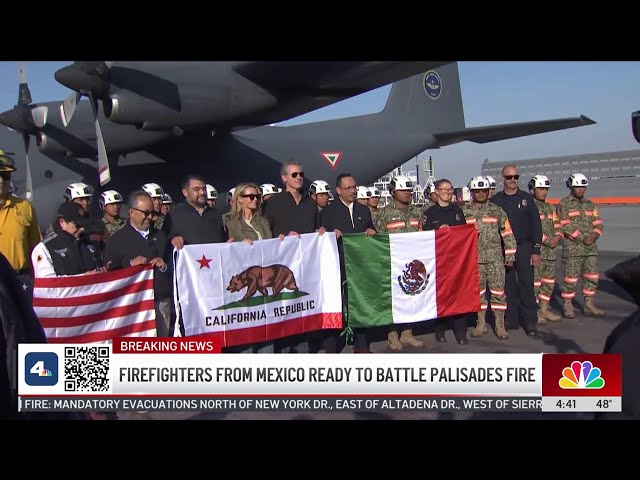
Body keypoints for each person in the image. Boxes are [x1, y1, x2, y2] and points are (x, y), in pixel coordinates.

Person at [263, 161, 326, 353]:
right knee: (283, 309)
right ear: (284, 178)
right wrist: (279, 238)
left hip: (306, 266)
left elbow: (316, 228)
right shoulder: (273, 203)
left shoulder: (310, 203)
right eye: (294, 174)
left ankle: (304, 350)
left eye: (301, 174)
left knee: (303, 306)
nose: (299, 177)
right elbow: (266, 235)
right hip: (281, 266)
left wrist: (321, 232)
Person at [320, 173, 376, 353]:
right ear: (338, 190)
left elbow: (371, 228)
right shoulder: (327, 212)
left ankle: (361, 344)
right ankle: (333, 344)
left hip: (359, 265)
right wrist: (329, 233)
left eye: (354, 187)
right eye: (348, 188)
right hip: (337, 266)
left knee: (360, 303)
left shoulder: (363, 210)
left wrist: (370, 230)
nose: (352, 191)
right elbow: (320, 235)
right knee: (336, 304)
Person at [226, 182, 285, 353]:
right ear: (240, 200)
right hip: (248, 277)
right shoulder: (232, 224)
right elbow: (228, 251)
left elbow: (270, 245)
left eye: (258, 196)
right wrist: (237, 244)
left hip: (265, 275)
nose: (255, 199)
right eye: (250, 196)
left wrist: (280, 241)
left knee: (267, 329)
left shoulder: (263, 222)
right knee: (248, 330)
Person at [104, 191, 173, 337]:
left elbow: (174, 265)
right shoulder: (117, 240)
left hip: (160, 300)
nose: (149, 217)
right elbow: (110, 272)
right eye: (145, 213)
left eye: (151, 213)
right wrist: (129, 265)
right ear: (131, 212)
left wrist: (164, 265)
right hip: (133, 305)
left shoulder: (160, 237)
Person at [373, 175, 424, 350]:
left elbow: (423, 235)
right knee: (393, 300)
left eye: (409, 190)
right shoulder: (383, 213)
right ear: (393, 192)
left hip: (412, 263)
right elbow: (379, 239)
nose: (407, 193)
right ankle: (392, 335)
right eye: (403, 190)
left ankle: (408, 333)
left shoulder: (417, 212)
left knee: (411, 298)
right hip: (392, 263)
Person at [491, 164, 542, 337]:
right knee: (508, 286)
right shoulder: (496, 200)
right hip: (504, 249)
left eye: (515, 177)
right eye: (509, 177)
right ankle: (511, 319)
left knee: (527, 285)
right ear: (503, 178)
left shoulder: (527, 199)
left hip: (524, 247)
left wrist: (536, 251)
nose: (513, 180)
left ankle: (530, 322)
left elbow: (536, 225)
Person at [462, 176, 515, 340]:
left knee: (498, 292)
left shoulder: (497, 210)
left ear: (488, 191)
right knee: (478, 294)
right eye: (477, 191)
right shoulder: (464, 212)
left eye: (483, 190)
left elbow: (507, 233)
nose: (481, 193)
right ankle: (481, 323)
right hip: (474, 260)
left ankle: (500, 325)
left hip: (495, 259)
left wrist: (510, 254)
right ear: (472, 192)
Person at [422, 178, 469, 344]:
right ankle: (439, 330)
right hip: (439, 261)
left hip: (457, 260)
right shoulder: (429, 214)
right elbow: (424, 237)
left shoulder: (458, 211)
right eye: (444, 189)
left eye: (450, 189)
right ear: (436, 192)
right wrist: (437, 231)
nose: (447, 192)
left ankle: (460, 332)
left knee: (459, 295)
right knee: (441, 296)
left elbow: (464, 233)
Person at [557, 173, 605, 318]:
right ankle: (567, 305)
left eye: (583, 186)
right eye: (578, 186)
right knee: (570, 278)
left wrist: (594, 235)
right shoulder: (564, 204)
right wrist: (584, 237)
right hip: (573, 249)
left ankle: (589, 304)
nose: (581, 189)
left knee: (592, 277)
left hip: (590, 249)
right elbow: (563, 224)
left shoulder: (590, 204)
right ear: (571, 186)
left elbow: (598, 223)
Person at [0, 150, 41, 303]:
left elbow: (35, 248)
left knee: (23, 324)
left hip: (20, 279)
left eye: (5, 176)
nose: (1, 181)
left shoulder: (25, 207)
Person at [31, 202, 101, 278]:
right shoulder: (45, 247)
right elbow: (48, 283)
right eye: (77, 225)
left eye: (83, 224)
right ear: (62, 223)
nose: (82, 229)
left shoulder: (88, 242)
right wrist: (83, 277)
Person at [528, 175, 562, 324]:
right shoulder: (529, 207)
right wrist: (547, 240)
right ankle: (534, 311)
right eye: (541, 188)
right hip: (537, 252)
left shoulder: (550, 208)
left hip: (550, 253)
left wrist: (558, 237)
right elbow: (529, 229)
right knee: (535, 283)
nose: (544, 192)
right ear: (532, 189)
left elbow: (559, 225)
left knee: (548, 283)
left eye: (546, 189)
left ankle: (544, 308)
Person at [169, 174, 228, 249]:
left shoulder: (216, 213)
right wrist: (173, 239)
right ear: (185, 192)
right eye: (196, 189)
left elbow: (224, 239)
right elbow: (164, 241)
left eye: (204, 189)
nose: (202, 193)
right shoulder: (174, 215)